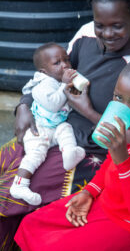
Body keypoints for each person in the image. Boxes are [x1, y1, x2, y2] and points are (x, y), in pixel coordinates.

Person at [0, 0, 130, 250]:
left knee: (9, 197)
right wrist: (24, 105)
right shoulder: (87, 34)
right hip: (53, 128)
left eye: (117, 26)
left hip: (91, 151)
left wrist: (86, 110)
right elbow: (52, 73)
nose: (106, 34)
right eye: (101, 24)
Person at [14, 59, 130, 251]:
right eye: (118, 98)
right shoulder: (128, 125)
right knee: (31, 224)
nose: (123, 108)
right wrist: (90, 192)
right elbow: (109, 165)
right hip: (107, 202)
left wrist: (123, 160)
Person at [10, 43, 85, 206]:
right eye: (57, 63)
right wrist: (66, 85)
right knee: (36, 154)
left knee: (66, 130)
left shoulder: (59, 81)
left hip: (55, 127)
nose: (65, 65)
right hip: (39, 130)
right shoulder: (42, 85)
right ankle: (19, 185)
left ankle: (69, 156)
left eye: (66, 60)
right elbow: (53, 105)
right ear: (44, 72)